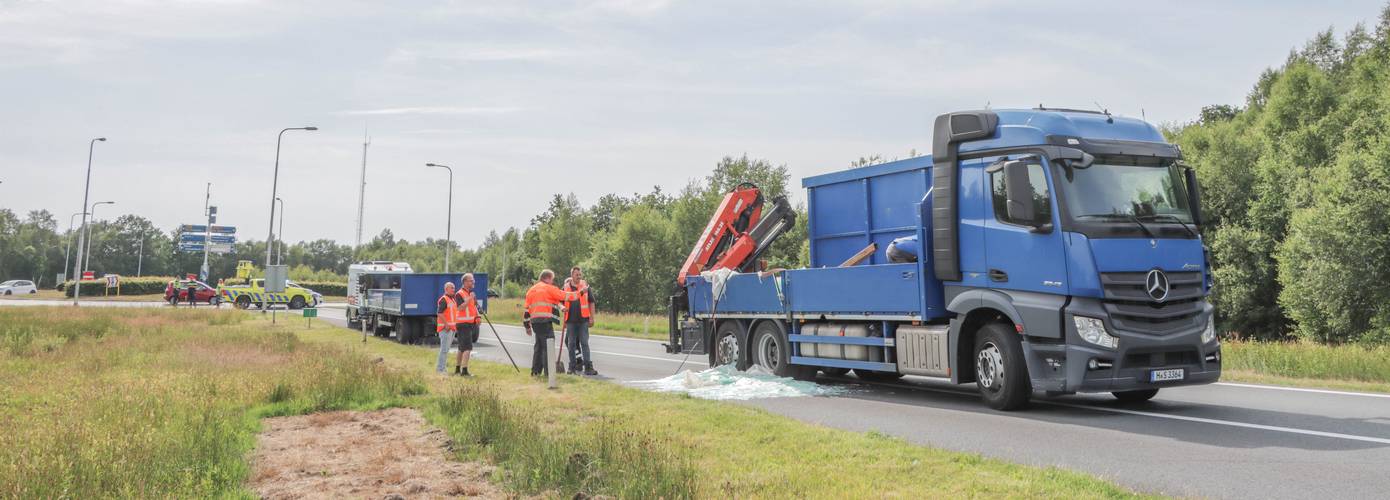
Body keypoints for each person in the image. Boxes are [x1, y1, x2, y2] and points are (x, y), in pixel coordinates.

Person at [524, 269, 579, 378]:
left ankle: (535, 372)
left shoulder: (531, 290)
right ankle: (549, 374)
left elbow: (526, 311)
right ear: (547, 278)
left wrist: (527, 326)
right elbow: (565, 295)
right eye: (552, 279)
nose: (552, 282)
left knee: (539, 346)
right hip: (545, 322)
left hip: (535, 322)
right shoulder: (548, 288)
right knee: (548, 347)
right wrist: (580, 293)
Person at [563, 266, 598, 375]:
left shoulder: (585, 286)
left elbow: (591, 302)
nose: (579, 276)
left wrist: (592, 317)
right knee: (571, 344)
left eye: (580, 274)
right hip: (570, 321)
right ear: (572, 275)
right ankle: (572, 367)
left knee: (584, 343)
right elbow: (559, 301)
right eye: (576, 274)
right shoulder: (565, 287)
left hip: (583, 320)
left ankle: (588, 367)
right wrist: (561, 308)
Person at [452, 273, 480, 377]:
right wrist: (469, 298)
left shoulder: (471, 293)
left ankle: (457, 369)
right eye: (471, 280)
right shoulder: (459, 294)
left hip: (470, 323)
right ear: (464, 282)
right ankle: (464, 371)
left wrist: (477, 316)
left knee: (461, 348)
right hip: (463, 324)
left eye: (473, 280)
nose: (473, 282)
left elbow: (474, 307)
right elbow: (460, 308)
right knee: (467, 348)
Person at [435, 282, 459, 375]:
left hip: (451, 328)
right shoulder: (444, 299)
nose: (454, 289)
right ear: (446, 289)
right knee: (444, 350)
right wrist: (446, 324)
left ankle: (442, 368)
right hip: (446, 329)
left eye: (454, 287)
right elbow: (439, 313)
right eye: (451, 288)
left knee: (446, 350)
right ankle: (440, 369)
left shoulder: (452, 300)